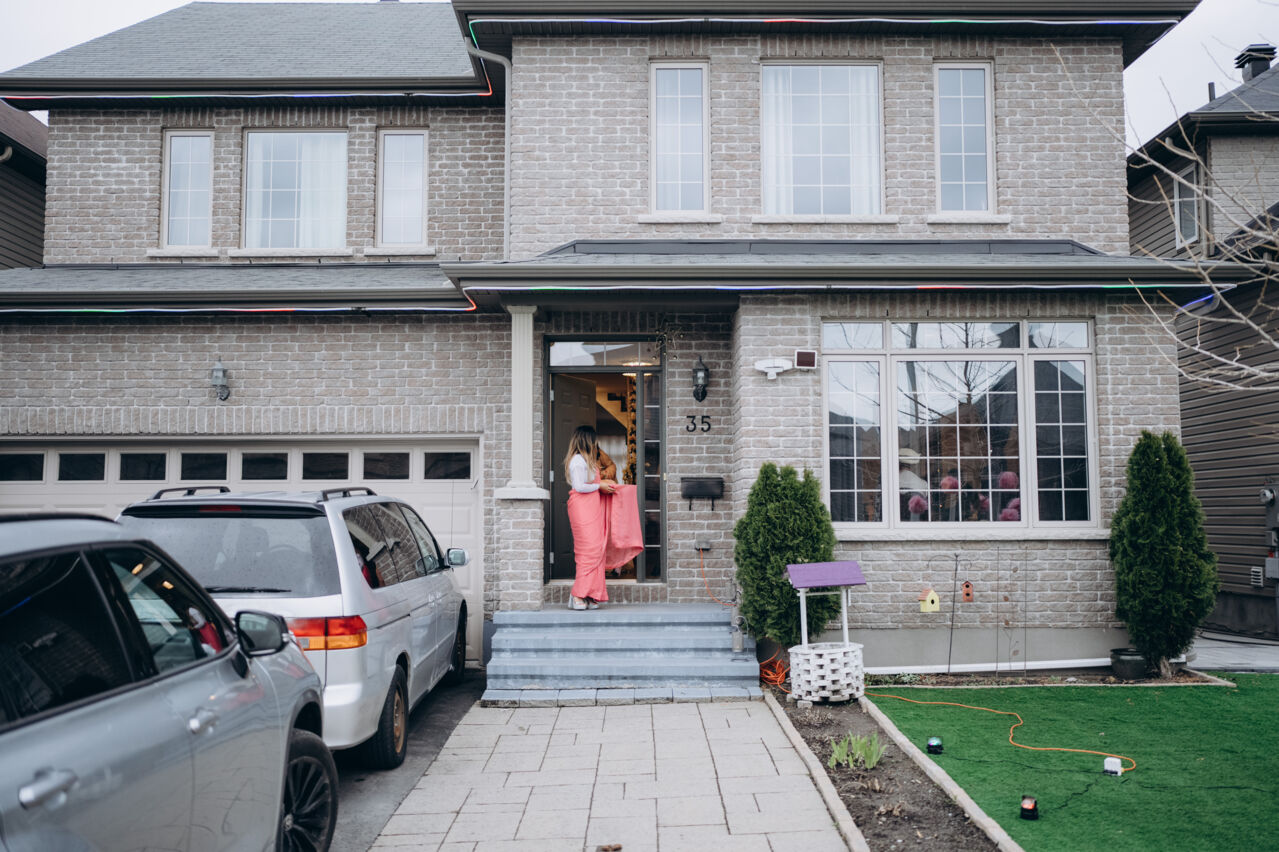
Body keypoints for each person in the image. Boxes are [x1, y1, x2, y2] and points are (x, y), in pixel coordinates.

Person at [564, 425, 643, 610]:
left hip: (592, 507)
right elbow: (579, 487)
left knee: (598, 549)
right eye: (593, 441)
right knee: (588, 551)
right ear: (587, 441)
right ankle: (577, 594)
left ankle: (591, 594)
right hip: (582, 508)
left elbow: (592, 483)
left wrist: (605, 484)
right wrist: (599, 486)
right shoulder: (577, 461)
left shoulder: (589, 461)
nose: (595, 444)